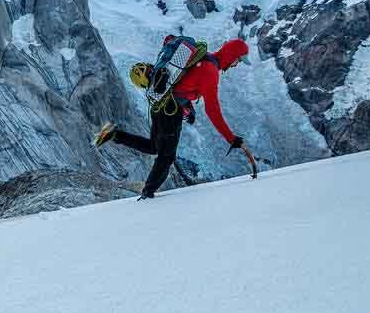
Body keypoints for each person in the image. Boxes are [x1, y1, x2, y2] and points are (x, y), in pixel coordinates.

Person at [95, 38, 254, 198]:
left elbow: (182, 85)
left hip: (161, 103)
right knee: (166, 156)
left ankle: (114, 134)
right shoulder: (210, 71)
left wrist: (189, 109)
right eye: (238, 60)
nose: (236, 64)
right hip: (170, 111)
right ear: (232, 56)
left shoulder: (204, 58)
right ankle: (147, 194)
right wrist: (231, 138)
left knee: (153, 147)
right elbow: (212, 110)